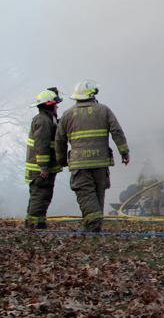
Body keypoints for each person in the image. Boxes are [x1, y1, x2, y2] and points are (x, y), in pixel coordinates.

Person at [55, 80, 129, 233]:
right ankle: (95, 227)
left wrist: (61, 161)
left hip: (79, 165)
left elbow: (59, 140)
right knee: (98, 193)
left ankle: (93, 226)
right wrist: (124, 152)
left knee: (86, 194)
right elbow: (117, 132)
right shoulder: (104, 110)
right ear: (93, 94)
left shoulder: (67, 114)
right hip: (100, 162)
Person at [24, 88, 64, 229]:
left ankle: (38, 224)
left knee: (43, 197)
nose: (57, 106)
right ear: (49, 105)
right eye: (55, 104)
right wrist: (43, 166)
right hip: (40, 169)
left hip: (42, 168)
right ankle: (34, 226)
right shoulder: (43, 121)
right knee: (40, 197)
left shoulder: (48, 119)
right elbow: (42, 144)